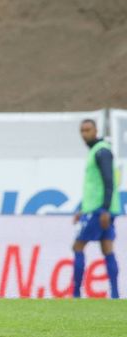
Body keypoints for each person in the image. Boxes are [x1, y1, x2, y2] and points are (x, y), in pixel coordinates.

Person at [73, 119, 120, 299]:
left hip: (100, 211)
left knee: (78, 246)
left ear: (96, 130)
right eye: (82, 131)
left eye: (88, 130)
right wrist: (82, 209)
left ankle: (75, 294)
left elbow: (109, 181)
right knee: (107, 247)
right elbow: (94, 187)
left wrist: (105, 210)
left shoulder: (101, 151)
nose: (84, 134)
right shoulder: (97, 151)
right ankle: (115, 295)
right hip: (96, 209)